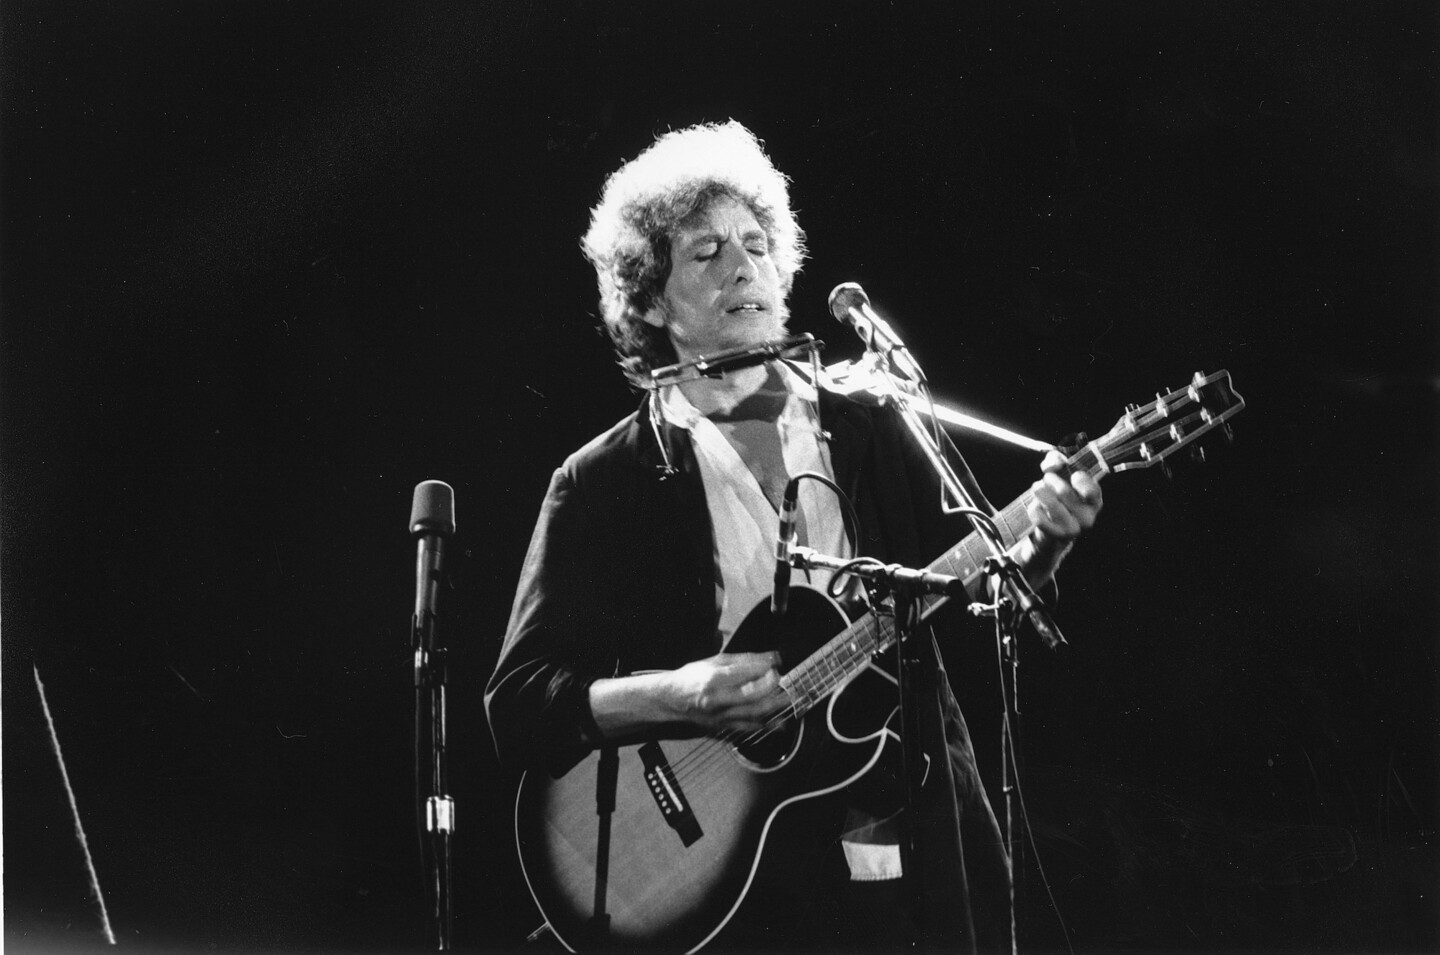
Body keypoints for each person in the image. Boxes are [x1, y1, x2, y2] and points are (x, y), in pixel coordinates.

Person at [485, 120, 1103, 953]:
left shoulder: (874, 423)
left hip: (903, 833)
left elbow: (971, 607)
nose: (743, 266)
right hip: (727, 883)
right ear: (650, 298)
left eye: (756, 244)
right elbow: (519, 703)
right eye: (705, 251)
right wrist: (681, 695)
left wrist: (1040, 546)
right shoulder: (603, 479)